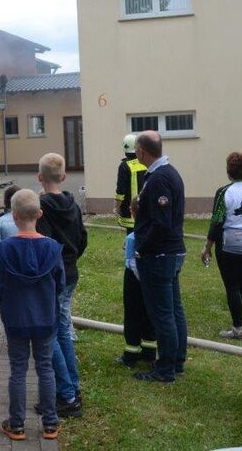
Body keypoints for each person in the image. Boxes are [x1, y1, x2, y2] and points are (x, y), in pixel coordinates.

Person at [0, 189, 64, 442]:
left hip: (16, 319)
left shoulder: (5, 250)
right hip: (46, 318)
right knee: (45, 369)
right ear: (40, 214)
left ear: (14, 214)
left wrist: (5, 307)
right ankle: (50, 424)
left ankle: (17, 425)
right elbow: (60, 284)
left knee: (18, 370)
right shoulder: (53, 248)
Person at [133, 131, 187, 383]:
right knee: (174, 310)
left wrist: (142, 247)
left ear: (142, 151)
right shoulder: (168, 173)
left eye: (136, 149)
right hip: (171, 252)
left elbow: (161, 223)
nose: (135, 153)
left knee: (163, 313)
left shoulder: (159, 179)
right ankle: (176, 361)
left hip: (159, 255)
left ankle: (165, 368)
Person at [36, 153, 87, 418]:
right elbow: (83, 238)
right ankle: (72, 389)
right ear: (64, 177)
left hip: (53, 276)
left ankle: (66, 394)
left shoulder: (41, 207)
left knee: (51, 334)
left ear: (39, 177)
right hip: (71, 271)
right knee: (64, 330)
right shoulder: (73, 204)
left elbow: (42, 243)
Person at [114, 134, 156, 368]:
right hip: (146, 226)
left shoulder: (125, 165)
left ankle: (131, 352)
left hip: (133, 225)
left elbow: (121, 191)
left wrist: (118, 205)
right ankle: (150, 349)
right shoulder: (146, 164)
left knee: (132, 307)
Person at [202, 152, 242, 339]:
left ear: (229, 172)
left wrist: (208, 246)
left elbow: (217, 221)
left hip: (229, 244)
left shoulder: (224, 192)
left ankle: (238, 328)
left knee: (233, 286)